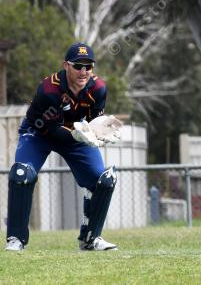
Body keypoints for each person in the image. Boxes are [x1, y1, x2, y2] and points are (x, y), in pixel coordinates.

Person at [5, 42, 121, 251]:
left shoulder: (98, 89)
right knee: (22, 174)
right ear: (66, 65)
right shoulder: (49, 89)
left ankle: (91, 238)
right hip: (39, 132)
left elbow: (94, 121)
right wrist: (80, 134)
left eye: (88, 66)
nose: (83, 71)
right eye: (78, 66)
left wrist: (101, 130)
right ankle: (16, 239)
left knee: (104, 179)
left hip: (77, 135)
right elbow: (50, 129)